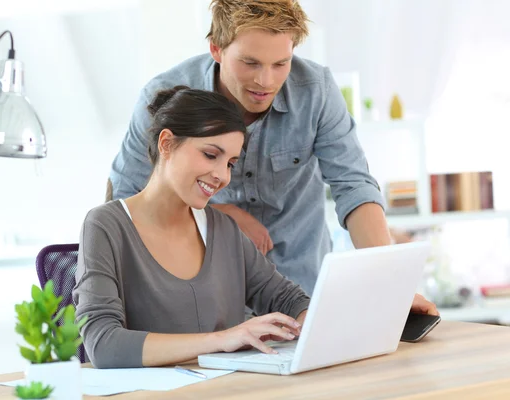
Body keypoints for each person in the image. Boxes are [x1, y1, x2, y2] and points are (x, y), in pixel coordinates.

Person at [108, 0, 438, 315]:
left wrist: (391, 284)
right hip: (206, 297)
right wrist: (217, 217)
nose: (265, 82)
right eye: (250, 63)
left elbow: (353, 186)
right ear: (216, 49)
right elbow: (127, 197)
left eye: (281, 63)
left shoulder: (316, 91)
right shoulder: (164, 98)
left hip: (302, 291)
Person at [74, 87, 310, 368]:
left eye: (231, 163)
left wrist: (313, 325)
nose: (222, 176)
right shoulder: (105, 226)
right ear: (166, 144)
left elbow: (289, 300)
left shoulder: (222, 229)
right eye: (211, 155)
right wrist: (223, 339)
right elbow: (104, 345)